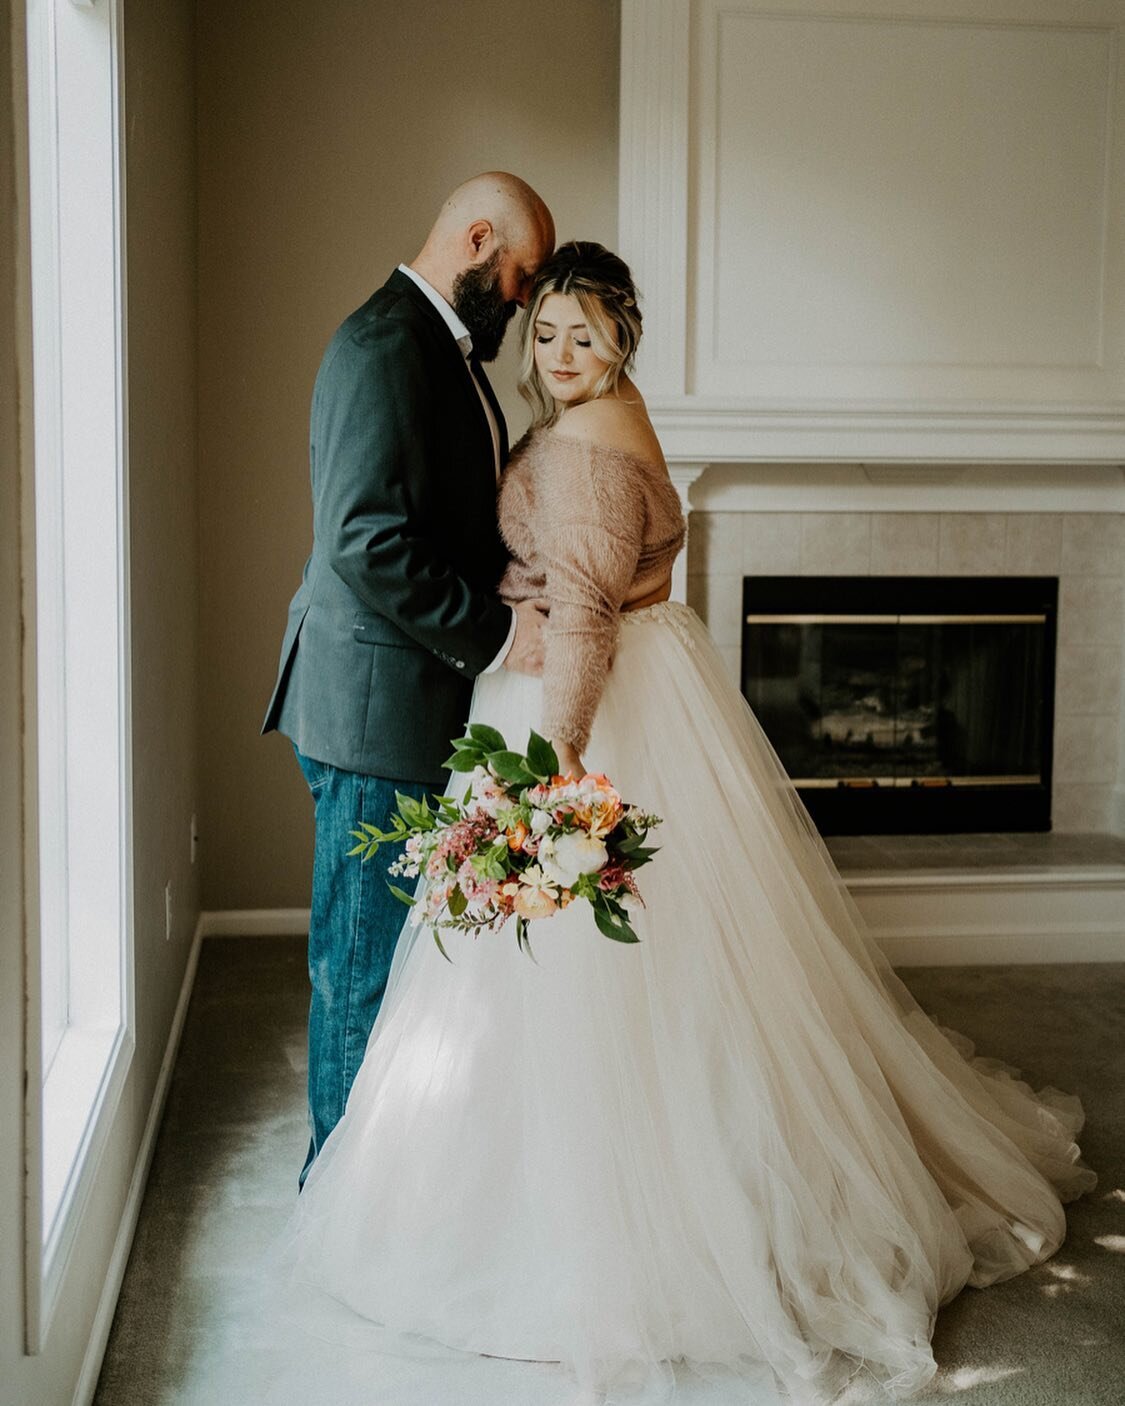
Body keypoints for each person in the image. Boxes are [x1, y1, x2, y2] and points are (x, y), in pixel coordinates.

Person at [280, 242, 1095, 1402]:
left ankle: (600, 1220)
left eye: (584, 337)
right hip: (615, 692)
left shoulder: (592, 456)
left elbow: (591, 616)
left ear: (622, 342)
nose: (559, 356)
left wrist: (554, 765)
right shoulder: (618, 417)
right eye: (547, 332)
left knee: (582, 984)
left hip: (583, 712)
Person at [261, 174, 555, 1187]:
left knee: (405, 969)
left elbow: (445, 519)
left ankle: (382, 1193)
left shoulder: (443, 349)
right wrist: (499, 633)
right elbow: (366, 540)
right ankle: (331, 1199)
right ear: (477, 239)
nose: (521, 307)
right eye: (517, 281)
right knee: (361, 972)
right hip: (370, 714)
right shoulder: (386, 344)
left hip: (408, 701)